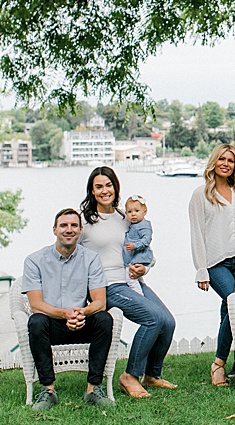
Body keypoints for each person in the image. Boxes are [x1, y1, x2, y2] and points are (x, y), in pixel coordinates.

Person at [78, 166, 176, 398]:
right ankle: (129, 376)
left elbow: (144, 249)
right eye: (99, 187)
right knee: (152, 319)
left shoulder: (126, 217)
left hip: (131, 280)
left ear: (116, 187)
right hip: (107, 285)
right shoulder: (85, 221)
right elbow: (72, 255)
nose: (105, 191)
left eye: (108, 185)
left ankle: (152, 375)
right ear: (92, 191)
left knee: (168, 322)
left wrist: (145, 267)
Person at [22, 208, 116, 410]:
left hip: (81, 322)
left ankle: (93, 389)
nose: (69, 229)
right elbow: (36, 304)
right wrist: (64, 314)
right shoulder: (34, 260)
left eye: (74, 225)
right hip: (52, 325)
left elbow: (100, 301)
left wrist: (81, 313)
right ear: (54, 230)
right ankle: (47, 391)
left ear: (80, 230)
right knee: (36, 321)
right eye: (63, 225)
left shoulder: (91, 258)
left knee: (104, 319)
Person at [189, 144, 235, 388]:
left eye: (231, 160)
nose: (226, 163)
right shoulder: (201, 194)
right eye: (221, 158)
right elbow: (197, 233)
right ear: (213, 162)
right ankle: (218, 363)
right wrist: (201, 269)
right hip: (215, 261)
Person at [121, 195, 153, 292]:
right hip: (132, 257)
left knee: (130, 278)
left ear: (145, 211)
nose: (133, 214)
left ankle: (139, 296)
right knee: (134, 278)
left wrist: (135, 246)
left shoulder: (144, 225)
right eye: (130, 212)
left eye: (136, 211)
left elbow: (147, 240)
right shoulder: (133, 224)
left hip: (138, 257)